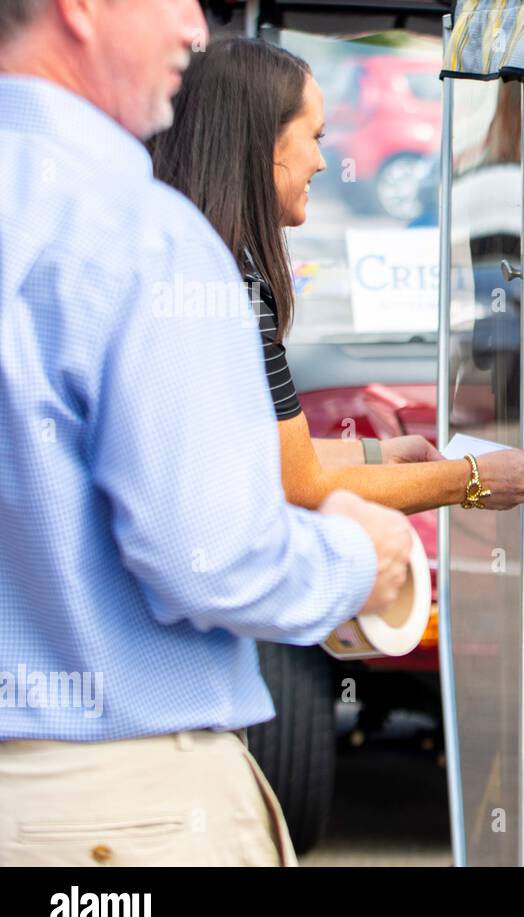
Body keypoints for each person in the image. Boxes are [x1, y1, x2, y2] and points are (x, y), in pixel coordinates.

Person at [0, 0, 414, 866]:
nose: (195, 28)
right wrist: (359, 559)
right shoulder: (139, 236)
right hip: (108, 814)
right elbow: (211, 557)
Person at [148, 37, 524, 514]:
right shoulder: (233, 285)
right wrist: (474, 479)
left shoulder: (188, 260)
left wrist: (380, 454)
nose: (321, 160)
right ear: (262, 142)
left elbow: (266, 454)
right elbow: (298, 485)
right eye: (315, 137)